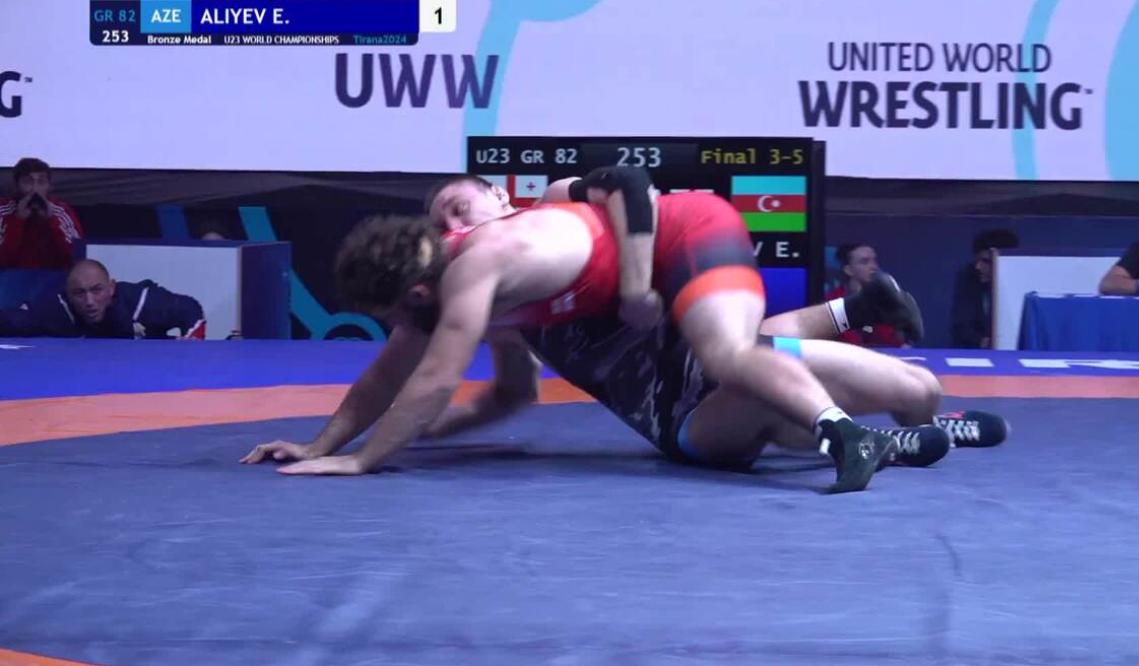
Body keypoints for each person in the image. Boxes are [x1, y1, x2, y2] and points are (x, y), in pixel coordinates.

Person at [244, 171, 953, 493]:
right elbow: (396, 374)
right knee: (763, 359)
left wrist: (366, 461)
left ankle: (845, 433)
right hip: (681, 378)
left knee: (730, 352)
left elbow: (430, 378)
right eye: (442, 220)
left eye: (459, 208)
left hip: (684, 237)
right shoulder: (485, 293)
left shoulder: (486, 261)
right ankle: (865, 345)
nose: (453, 224)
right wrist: (323, 444)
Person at [0, 258, 206, 339]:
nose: (89, 301)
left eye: (97, 290)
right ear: (67, 294)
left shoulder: (137, 300)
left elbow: (189, 308)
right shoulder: (55, 309)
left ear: (111, 287)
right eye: (79, 293)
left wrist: (191, 341)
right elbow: (12, 320)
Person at [0, 158, 84, 270]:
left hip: (54, 277)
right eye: (28, 182)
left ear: (49, 186)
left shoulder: (61, 210)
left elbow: (77, 257)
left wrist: (52, 220)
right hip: (8, 277)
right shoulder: (3, 209)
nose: (35, 189)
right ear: (17, 185)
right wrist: (17, 220)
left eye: (41, 182)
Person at [824, 243, 909, 348]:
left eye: (874, 261)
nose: (874, 267)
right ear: (848, 270)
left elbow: (895, 342)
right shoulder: (833, 302)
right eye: (865, 262)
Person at [951, 229, 1019, 349]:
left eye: (986, 262)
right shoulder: (968, 277)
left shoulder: (1020, 283)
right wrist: (982, 342)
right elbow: (961, 327)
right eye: (977, 260)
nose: (978, 267)